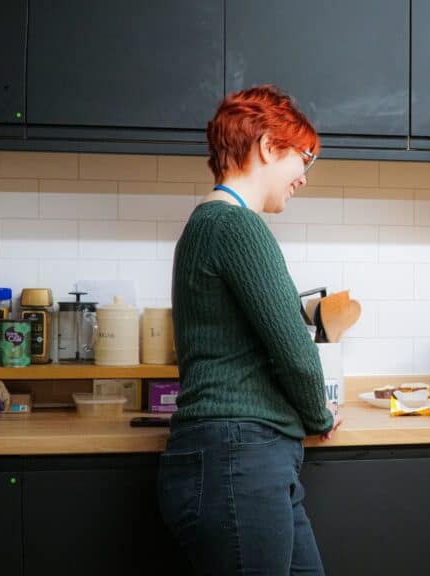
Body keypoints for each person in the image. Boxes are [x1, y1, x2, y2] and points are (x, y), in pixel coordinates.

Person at [157, 85, 341, 576]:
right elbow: (295, 352)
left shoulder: (207, 225)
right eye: (305, 157)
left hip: (240, 461)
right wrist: (319, 414)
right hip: (238, 461)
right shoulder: (237, 227)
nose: (303, 177)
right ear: (265, 146)